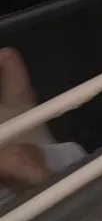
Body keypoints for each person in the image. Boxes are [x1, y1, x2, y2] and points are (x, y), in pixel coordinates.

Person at [0, 47, 86, 208]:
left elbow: (8, 57)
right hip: (16, 206)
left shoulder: (12, 106)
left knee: (11, 159)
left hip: (62, 168)